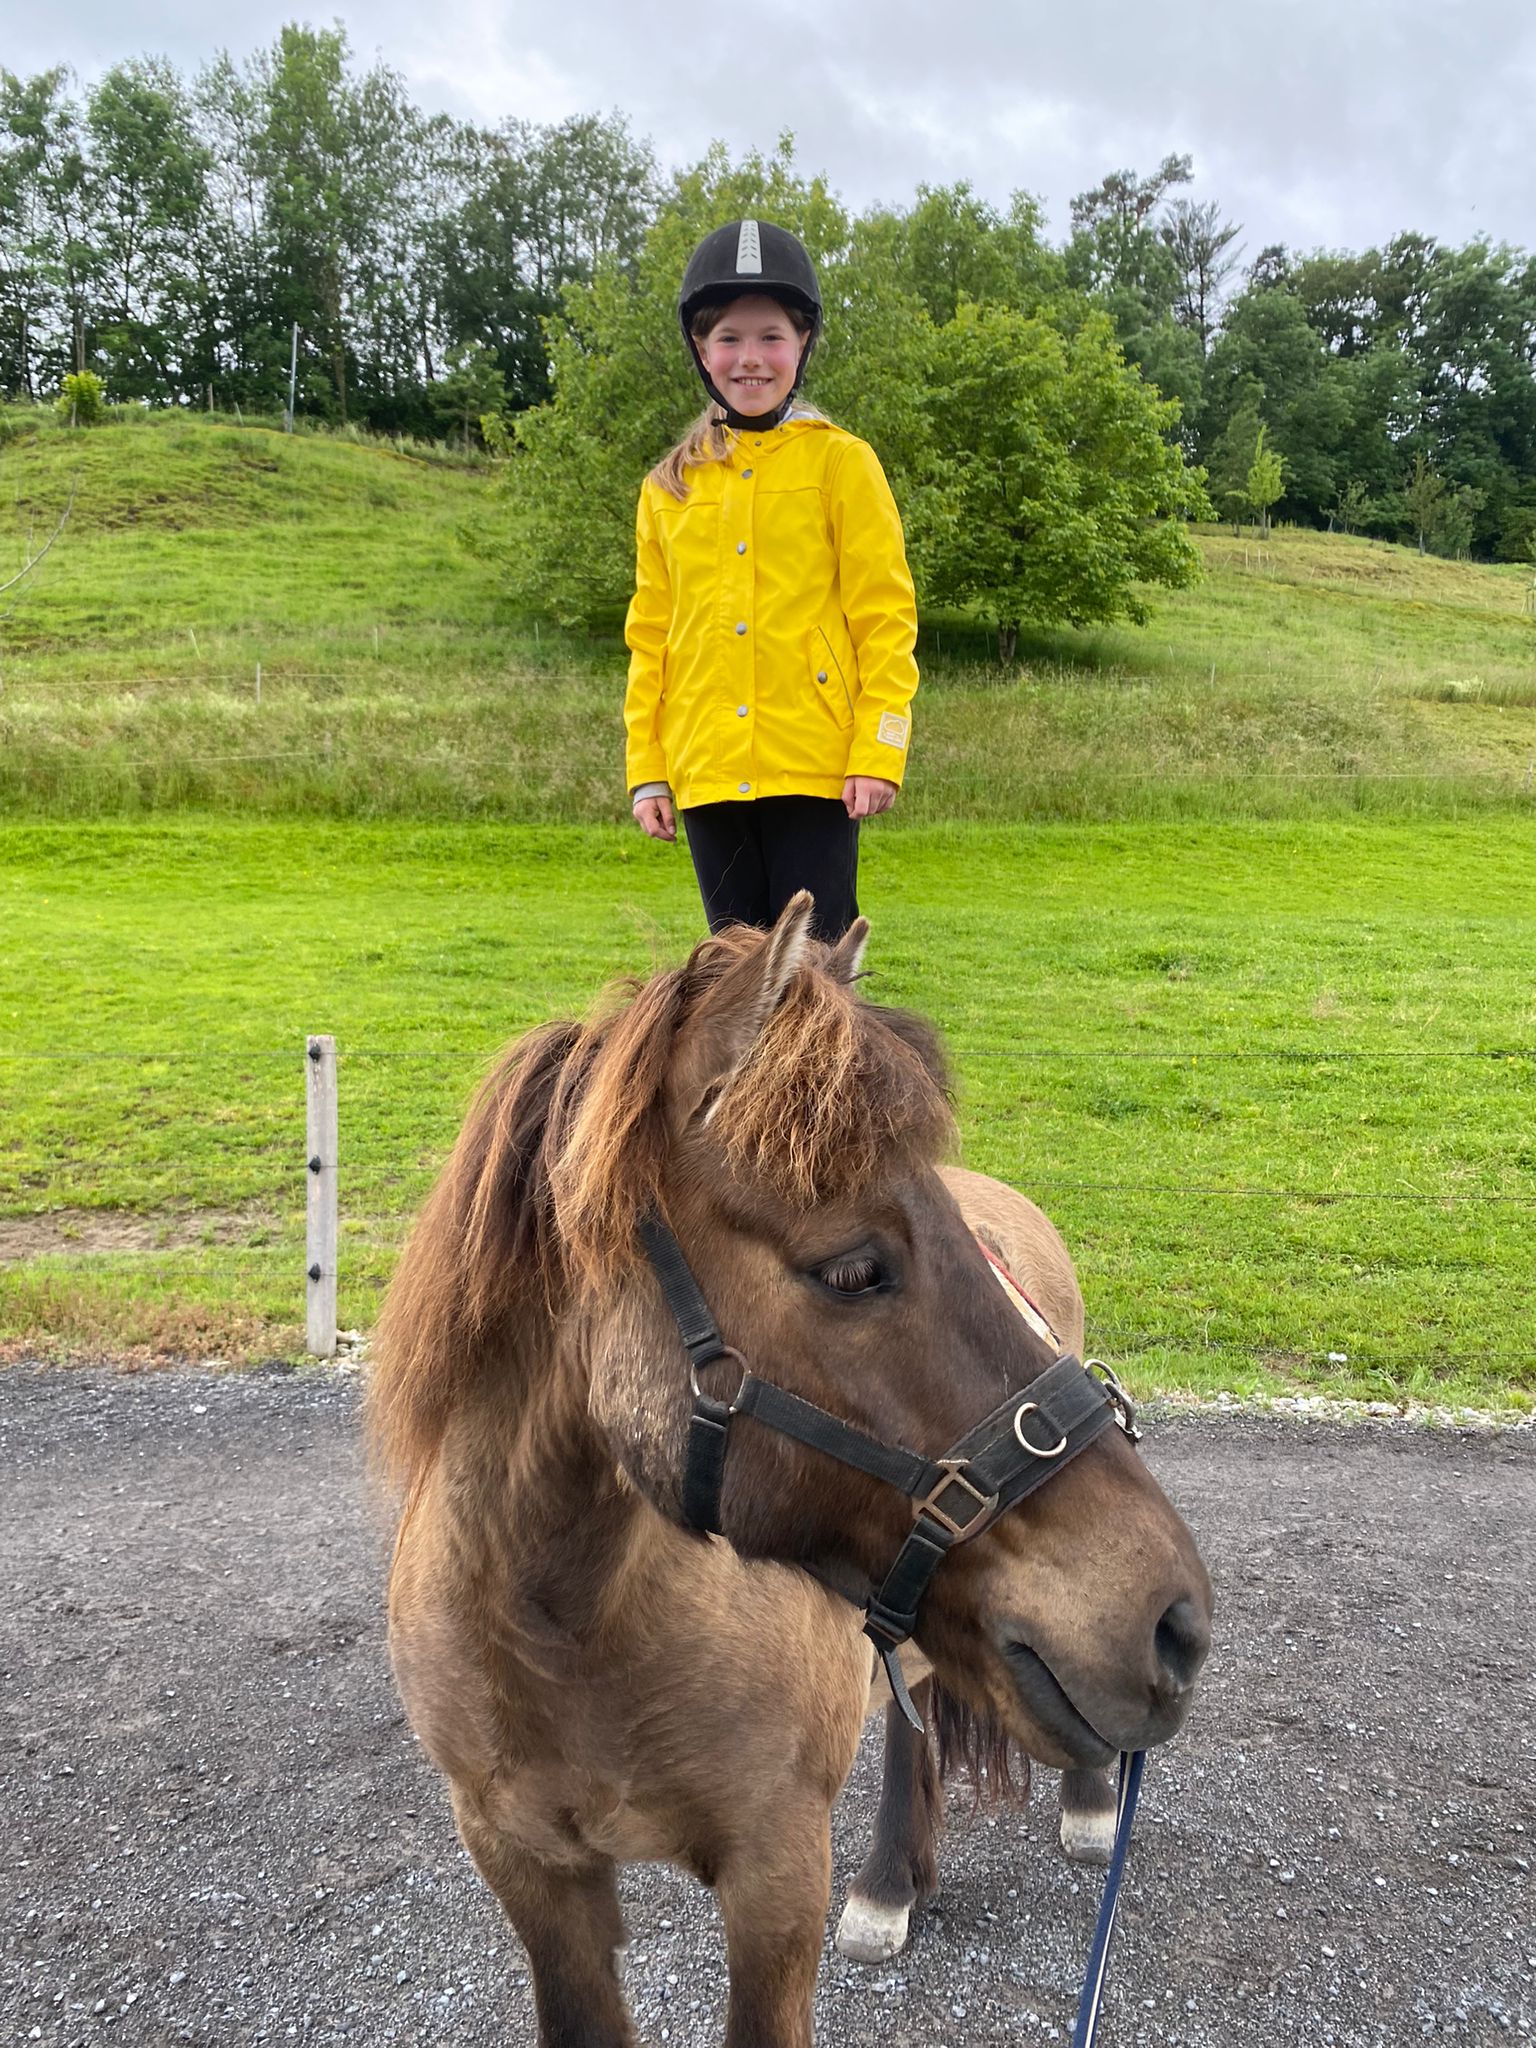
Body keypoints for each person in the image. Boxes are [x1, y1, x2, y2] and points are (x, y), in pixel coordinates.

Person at [623, 219, 919, 943]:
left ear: (803, 344)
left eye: (771, 337)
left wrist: (879, 749)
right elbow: (651, 638)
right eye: (729, 337)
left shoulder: (843, 464)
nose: (750, 358)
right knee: (734, 978)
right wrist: (647, 768)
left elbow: (885, 617)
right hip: (707, 767)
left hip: (814, 765)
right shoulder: (667, 489)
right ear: (702, 351)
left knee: (818, 975)